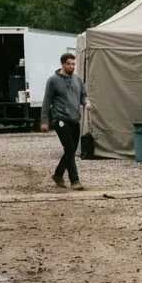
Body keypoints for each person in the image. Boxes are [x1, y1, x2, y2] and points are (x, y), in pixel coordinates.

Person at [40, 52, 90, 190]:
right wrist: (45, 120)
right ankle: (75, 180)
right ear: (62, 64)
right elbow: (46, 101)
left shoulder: (78, 80)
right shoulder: (53, 80)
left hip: (74, 119)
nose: (71, 66)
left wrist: (87, 103)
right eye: (69, 64)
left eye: (73, 64)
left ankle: (58, 174)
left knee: (71, 150)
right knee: (69, 148)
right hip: (60, 118)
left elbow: (83, 95)